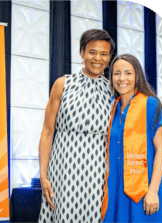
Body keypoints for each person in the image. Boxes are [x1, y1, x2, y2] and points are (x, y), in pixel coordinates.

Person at [38, 29, 115, 223]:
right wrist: (43, 174)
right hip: (62, 172)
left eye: (103, 54)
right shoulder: (63, 84)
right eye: (92, 52)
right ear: (82, 53)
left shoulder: (114, 91)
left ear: (109, 58)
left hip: (99, 174)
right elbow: (47, 132)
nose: (97, 58)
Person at [102, 54, 162, 223]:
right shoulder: (112, 108)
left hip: (144, 189)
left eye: (128, 73)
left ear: (137, 75)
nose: (121, 78)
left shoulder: (150, 104)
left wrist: (153, 190)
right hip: (117, 189)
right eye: (116, 73)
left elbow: (161, 150)